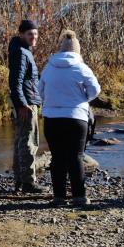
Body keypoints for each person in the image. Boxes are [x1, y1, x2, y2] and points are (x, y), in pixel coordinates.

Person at [39, 30, 100, 207]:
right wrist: (82, 99)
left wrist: (52, 101)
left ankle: (58, 197)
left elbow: (39, 91)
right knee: (76, 157)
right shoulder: (81, 67)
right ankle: (79, 197)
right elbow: (95, 90)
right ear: (77, 50)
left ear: (61, 49)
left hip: (52, 119)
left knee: (57, 158)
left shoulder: (49, 67)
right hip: (76, 118)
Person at [8, 18, 42, 194]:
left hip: (26, 100)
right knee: (29, 142)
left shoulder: (22, 50)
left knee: (21, 140)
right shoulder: (21, 52)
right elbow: (16, 82)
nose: (33, 37)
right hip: (26, 103)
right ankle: (28, 182)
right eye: (30, 34)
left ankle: (20, 181)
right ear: (21, 34)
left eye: (35, 34)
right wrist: (22, 104)